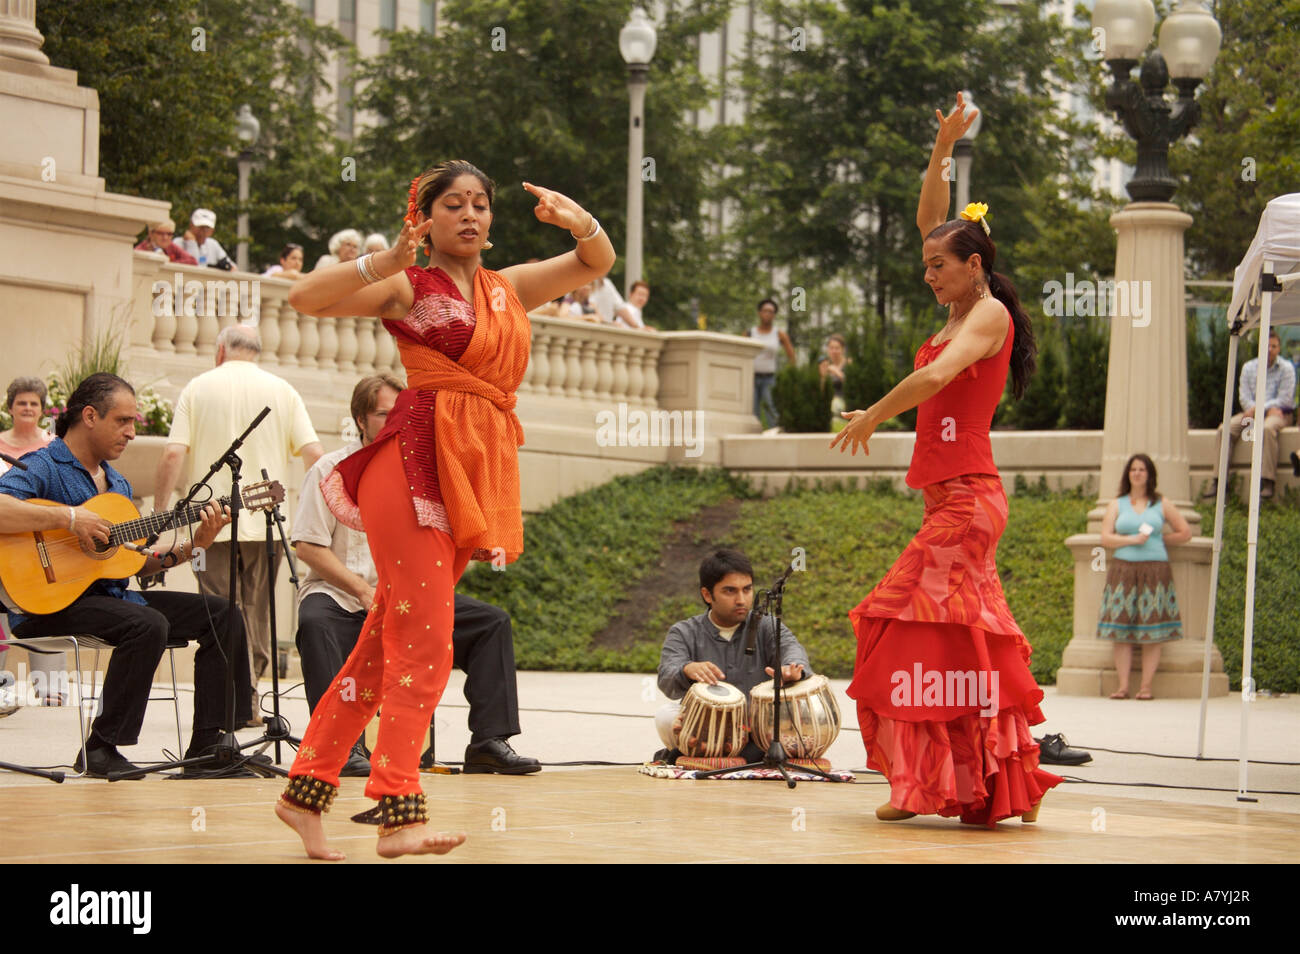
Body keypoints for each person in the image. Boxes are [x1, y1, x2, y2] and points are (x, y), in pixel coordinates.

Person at [275, 159, 615, 859]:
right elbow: (304, 298)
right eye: (453, 204)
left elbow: (596, 260)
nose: (470, 215)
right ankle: (399, 809)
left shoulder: (509, 287)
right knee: (426, 643)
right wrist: (381, 260)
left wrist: (574, 216)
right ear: (424, 218)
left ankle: (303, 793)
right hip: (413, 462)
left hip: (473, 467)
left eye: (481, 205)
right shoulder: (408, 285)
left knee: (379, 650)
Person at [831, 93, 1060, 826]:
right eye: (926, 263)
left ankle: (922, 784)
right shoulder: (962, 304)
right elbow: (935, 214)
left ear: (973, 265)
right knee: (966, 647)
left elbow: (934, 379)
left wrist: (873, 413)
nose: (928, 273)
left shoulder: (987, 314)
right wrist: (938, 151)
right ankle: (994, 784)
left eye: (938, 265)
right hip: (950, 499)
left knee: (903, 625)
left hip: (968, 500)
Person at [0, 373, 251, 777]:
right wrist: (69, 518)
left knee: (222, 613)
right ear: (89, 416)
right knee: (146, 623)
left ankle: (210, 743)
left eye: (134, 422)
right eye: (123, 421)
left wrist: (196, 545)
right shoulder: (45, 464)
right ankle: (101, 748)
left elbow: (134, 561)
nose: (133, 433)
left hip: (112, 600)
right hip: (46, 604)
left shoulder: (116, 484)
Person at [292, 374, 540, 778]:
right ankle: (347, 749)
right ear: (359, 419)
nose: (393, 423)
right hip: (340, 595)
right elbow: (307, 547)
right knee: (316, 624)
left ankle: (489, 743)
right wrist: (362, 590)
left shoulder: (420, 470)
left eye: (399, 414)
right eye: (382, 415)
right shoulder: (330, 468)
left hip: (405, 594)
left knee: (491, 623)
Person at [153, 324, 323, 722]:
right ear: (257, 352)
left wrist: (162, 517)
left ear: (219, 351)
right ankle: (249, 700)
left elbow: (172, 455)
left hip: (207, 527)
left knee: (218, 611)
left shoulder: (197, 387)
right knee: (257, 612)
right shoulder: (284, 390)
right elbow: (315, 454)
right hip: (264, 524)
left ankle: (230, 699)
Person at [656, 549, 811, 760]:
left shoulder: (766, 627)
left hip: (758, 727)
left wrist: (793, 670)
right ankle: (701, 749)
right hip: (706, 727)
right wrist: (687, 669)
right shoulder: (684, 632)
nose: (741, 600)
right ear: (707, 595)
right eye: (730, 591)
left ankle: (694, 755)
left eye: (747, 590)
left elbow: (792, 650)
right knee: (666, 716)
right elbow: (667, 676)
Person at [1097, 453, 1192, 700]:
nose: (1137, 473)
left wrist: (1160, 540)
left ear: (1149, 475)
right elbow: (1105, 538)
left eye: (1142, 469)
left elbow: (1185, 532)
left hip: (1155, 571)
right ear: (1127, 474)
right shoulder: (1117, 504)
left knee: (1152, 630)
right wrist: (1130, 540)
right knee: (1121, 630)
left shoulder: (1161, 503)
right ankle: (1123, 686)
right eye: (1133, 469)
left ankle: (1146, 687)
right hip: (1123, 569)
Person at [1202, 329, 1295, 500]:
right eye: (1266, 346)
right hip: (1251, 412)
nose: (1269, 350)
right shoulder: (1249, 367)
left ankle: (1268, 482)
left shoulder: (1287, 368)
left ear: (1279, 348)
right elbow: (1243, 397)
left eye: (1273, 346)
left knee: (1267, 429)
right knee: (1225, 429)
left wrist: (1258, 409)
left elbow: (1284, 399)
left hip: (1278, 413)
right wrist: (1254, 410)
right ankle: (1220, 481)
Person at [748, 298, 795, 428]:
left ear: (774, 315)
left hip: (769, 378)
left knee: (772, 410)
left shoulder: (778, 333)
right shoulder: (750, 332)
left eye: (771, 311)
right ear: (759, 312)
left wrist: (788, 375)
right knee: (752, 411)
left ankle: (774, 436)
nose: (767, 314)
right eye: (765, 311)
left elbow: (791, 355)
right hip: (750, 377)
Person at [1, 377, 54, 475]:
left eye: (34, 404)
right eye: (22, 403)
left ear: (41, 411)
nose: (28, 408)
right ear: (10, 409)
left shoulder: (54, 444)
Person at [819, 333, 851, 432]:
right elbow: (820, 389)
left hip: (845, 401)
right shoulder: (824, 365)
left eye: (837, 348)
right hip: (828, 402)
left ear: (843, 349)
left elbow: (852, 384)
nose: (834, 351)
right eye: (831, 348)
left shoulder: (849, 363)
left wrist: (836, 371)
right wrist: (823, 375)